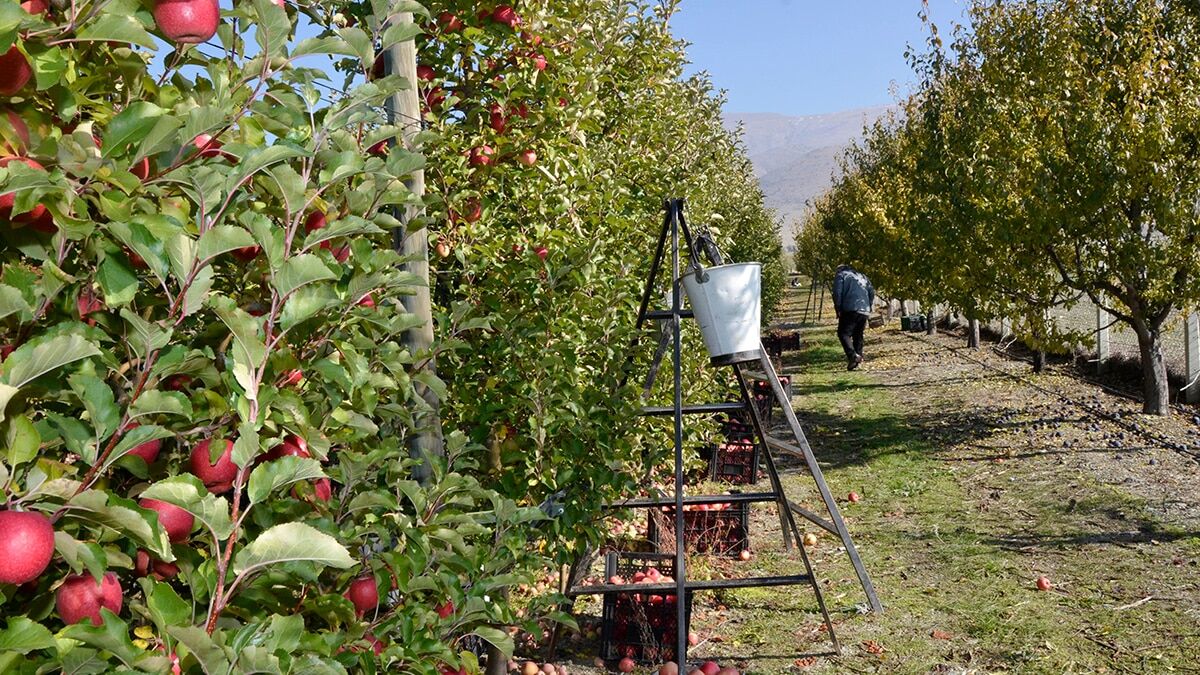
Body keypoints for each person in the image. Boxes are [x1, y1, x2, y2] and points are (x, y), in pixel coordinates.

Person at [832, 264, 875, 370]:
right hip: (864, 309)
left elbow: (837, 293)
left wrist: (838, 308)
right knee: (858, 334)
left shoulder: (841, 275)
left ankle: (852, 355)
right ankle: (857, 359)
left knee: (843, 333)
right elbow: (871, 292)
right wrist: (868, 305)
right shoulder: (862, 276)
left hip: (850, 308)